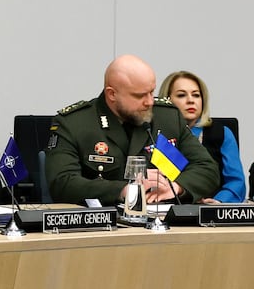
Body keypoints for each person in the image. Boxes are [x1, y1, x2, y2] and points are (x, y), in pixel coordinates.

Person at [46, 55, 218, 205]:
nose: (149, 101)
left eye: (151, 92)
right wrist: (124, 190)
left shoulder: (167, 118)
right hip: (103, 227)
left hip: (162, 223)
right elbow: (62, 183)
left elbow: (207, 168)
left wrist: (176, 187)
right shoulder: (75, 123)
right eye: (140, 95)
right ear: (112, 94)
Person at [159, 70, 246, 203]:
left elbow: (236, 182)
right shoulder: (157, 134)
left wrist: (219, 202)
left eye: (196, 95)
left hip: (213, 210)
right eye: (182, 95)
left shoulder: (221, 133)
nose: (190, 100)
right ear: (166, 100)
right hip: (167, 209)